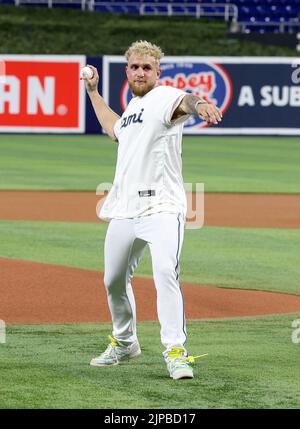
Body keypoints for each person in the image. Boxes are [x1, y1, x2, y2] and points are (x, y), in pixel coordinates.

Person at [82, 40, 222, 380]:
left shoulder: (164, 97)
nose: (141, 71)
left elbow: (185, 102)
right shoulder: (132, 110)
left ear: (158, 72)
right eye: (135, 66)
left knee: (164, 272)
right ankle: (125, 341)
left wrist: (199, 104)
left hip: (162, 206)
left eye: (147, 67)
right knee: (113, 279)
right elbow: (112, 128)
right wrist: (93, 91)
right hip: (126, 208)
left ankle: (176, 351)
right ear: (127, 71)